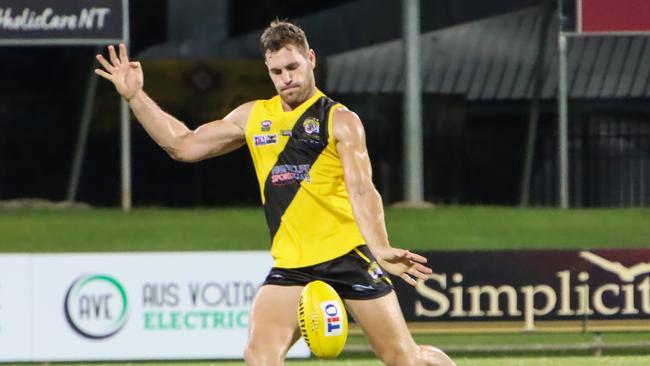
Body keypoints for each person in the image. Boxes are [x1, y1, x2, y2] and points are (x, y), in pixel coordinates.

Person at [95, 20, 455, 366]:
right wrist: (135, 96)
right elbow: (183, 146)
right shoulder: (253, 117)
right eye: (277, 72)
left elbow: (363, 190)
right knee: (259, 356)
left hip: (347, 256)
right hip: (291, 266)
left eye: (293, 68)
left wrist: (379, 246)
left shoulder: (340, 120)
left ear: (310, 59)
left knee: (405, 359)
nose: (287, 79)